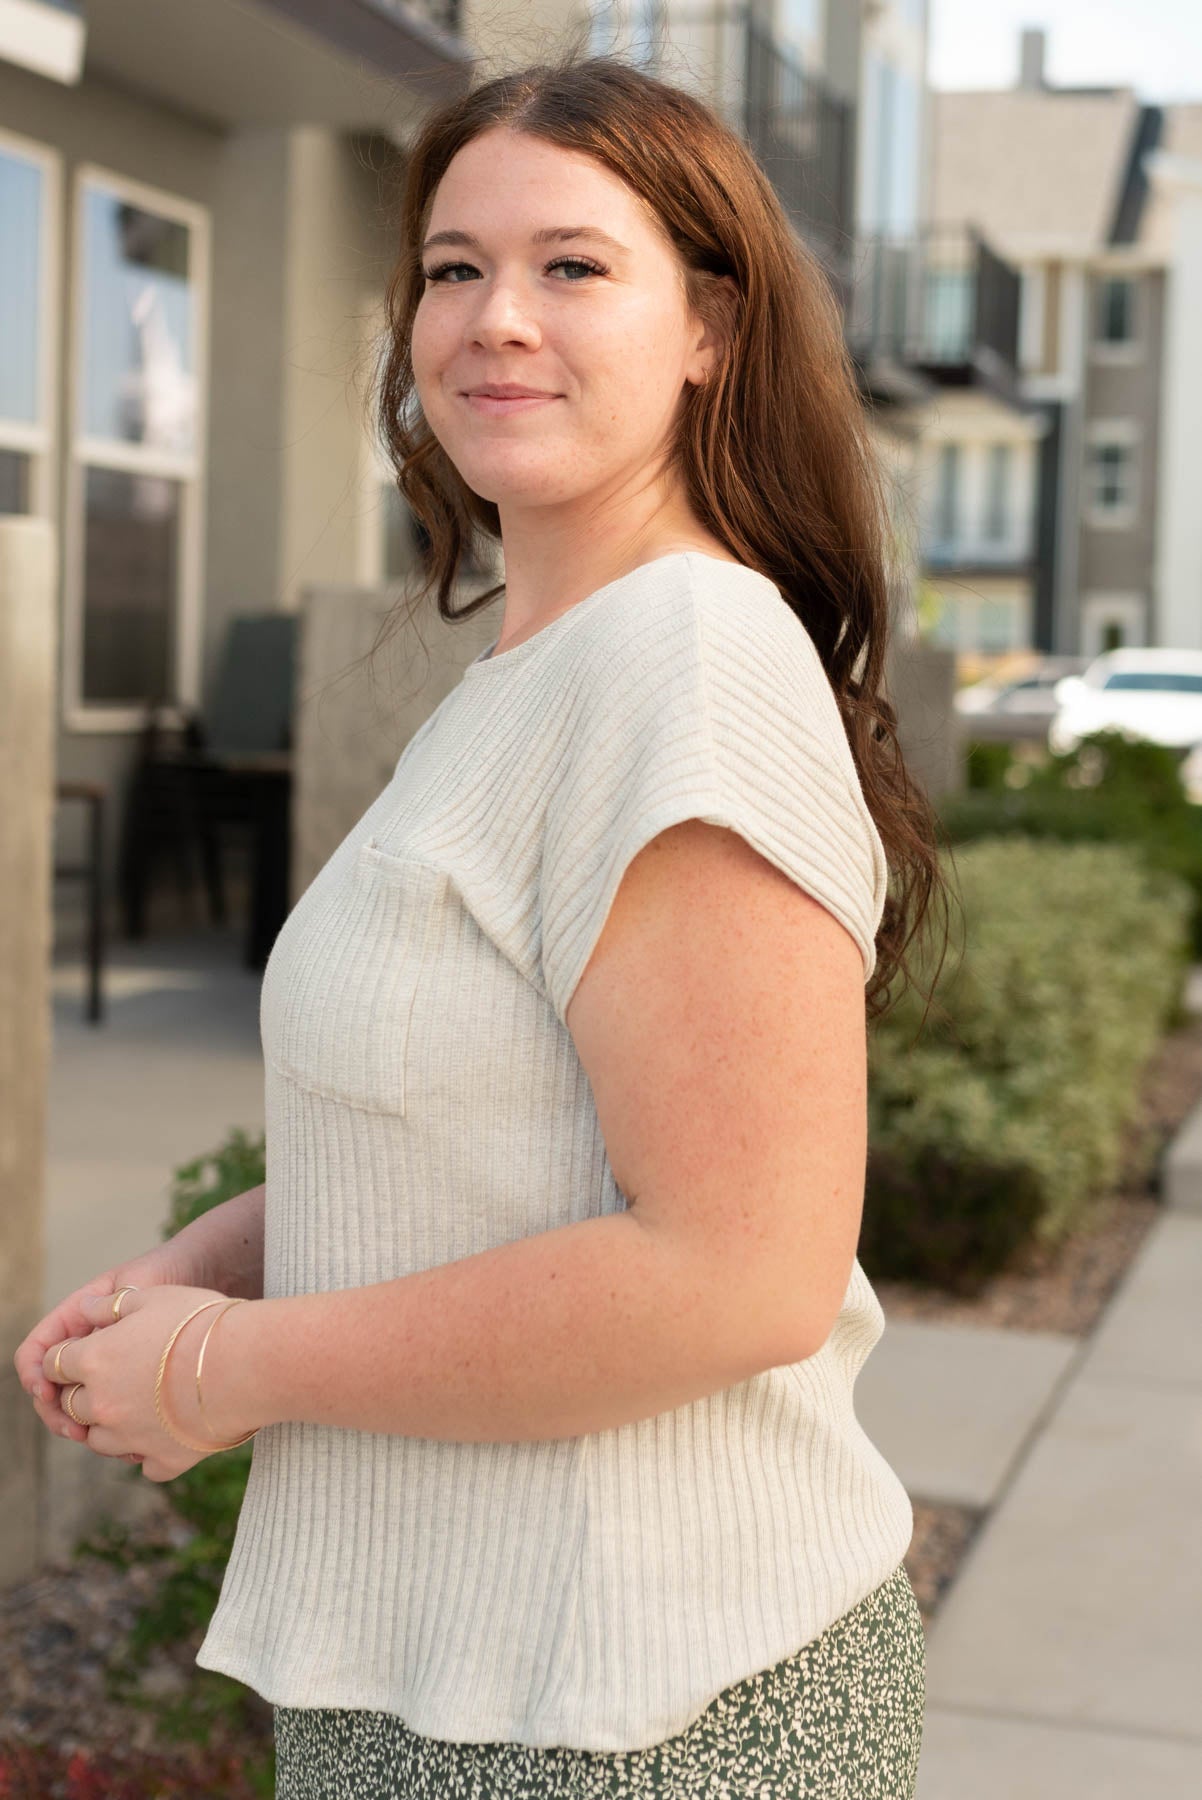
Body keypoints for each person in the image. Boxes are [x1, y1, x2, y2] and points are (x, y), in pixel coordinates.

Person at [15, 51, 951, 1800]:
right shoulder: (521, 680)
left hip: (636, 1708)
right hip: (460, 1678)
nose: (491, 319)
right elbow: (501, 1129)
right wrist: (221, 1257)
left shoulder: (683, 663)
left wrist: (225, 1370)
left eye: (572, 267)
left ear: (711, 333)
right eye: (452, 269)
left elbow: (731, 1270)